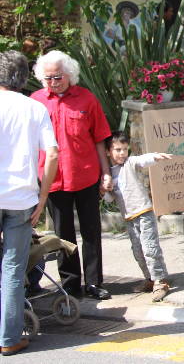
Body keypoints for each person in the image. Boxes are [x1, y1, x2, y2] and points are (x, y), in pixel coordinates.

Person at [31, 50, 113, 300]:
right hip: (52, 180)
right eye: (47, 78)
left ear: (69, 75)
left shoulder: (87, 99)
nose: (52, 83)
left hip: (85, 175)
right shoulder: (35, 101)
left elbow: (100, 139)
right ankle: (70, 284)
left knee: (91, 231)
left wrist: (106, 173)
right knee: (62, 235)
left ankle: (94, 282)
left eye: (57, 77)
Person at [0, 51, 58, 356]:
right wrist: (44, 196)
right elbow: (53, 154)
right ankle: (9, 338)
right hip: (22, 198)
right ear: (24, 78)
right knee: (12, 268)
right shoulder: (35, 108)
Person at [104, 132, 171, 302]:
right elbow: (109, 198)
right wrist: (105, 189)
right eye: (118, 150)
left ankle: (160, 281)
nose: (122, 153)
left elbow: (142, 159)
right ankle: (150, 278)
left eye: (125, 149)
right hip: (129, 218)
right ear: (107, 152)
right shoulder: (109, 174)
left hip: (144, 212)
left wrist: (156, 157)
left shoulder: (129, 163)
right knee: (138, 251)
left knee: (150, 248)